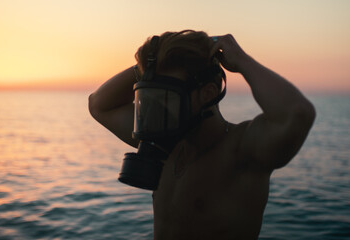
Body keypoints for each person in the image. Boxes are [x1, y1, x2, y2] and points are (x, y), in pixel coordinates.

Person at [89, 30, 316, 240]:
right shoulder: (165, 142)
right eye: (149, 94)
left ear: (208, 93)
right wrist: (146, 67)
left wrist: (241, 60)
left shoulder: (242, 151)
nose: (155, 108)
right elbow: (98, 105)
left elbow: (296, 114)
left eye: (166, 96)